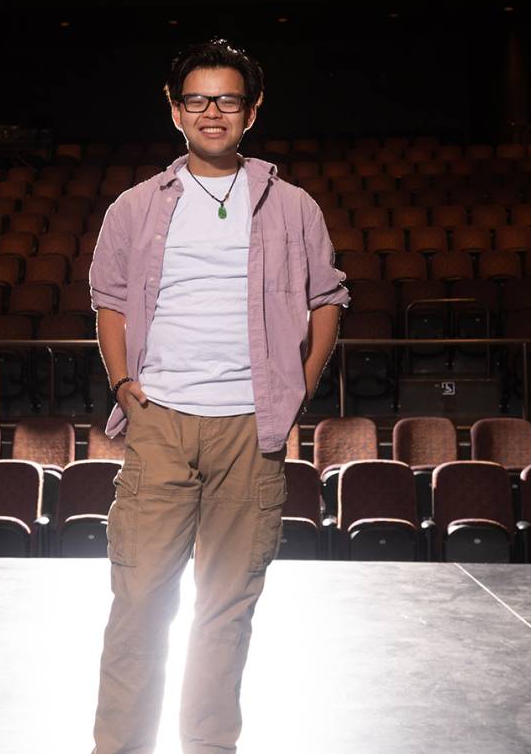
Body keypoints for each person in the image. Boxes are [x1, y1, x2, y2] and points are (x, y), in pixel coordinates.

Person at [89, 39, 349, 753]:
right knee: (140, 601)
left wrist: (296, 389)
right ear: (174, 111)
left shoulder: (292, 206)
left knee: (225, 608)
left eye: (227, 99)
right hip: (161, 421)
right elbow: (108, 298)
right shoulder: (136, 207)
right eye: (197, 99)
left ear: (251, 111)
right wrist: (122, 382)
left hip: (250, 428)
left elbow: (327, 298)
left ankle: (209, 747)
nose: (212, 111)